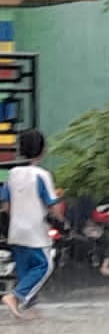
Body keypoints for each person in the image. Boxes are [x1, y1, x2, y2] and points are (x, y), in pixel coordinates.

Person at [0, 129, 63, 318]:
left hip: (16, 231)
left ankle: (30, 308)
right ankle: (15, 297)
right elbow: (53, 205)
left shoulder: (12, 174)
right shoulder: (42, 175)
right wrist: (60, 221)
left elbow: (5, 206)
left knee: (25, 270)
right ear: (42, 151)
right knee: (44, 266)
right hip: (37, 231)